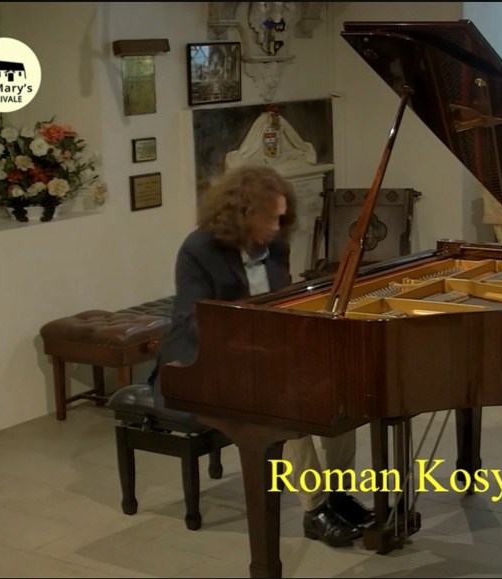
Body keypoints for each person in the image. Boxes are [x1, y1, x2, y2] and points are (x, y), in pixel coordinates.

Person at [152, 165, 373, 547]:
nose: (276, 226)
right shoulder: (199, 248)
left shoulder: (276, 246)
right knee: (288, 403)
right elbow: (190, 320)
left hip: (266, 353)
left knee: (342, 392)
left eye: (281, 217)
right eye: (270, 218)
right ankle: (316, 507)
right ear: (242, 212)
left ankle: (338, 494)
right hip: (205, 362)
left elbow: (280, 301)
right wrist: (247, 344)